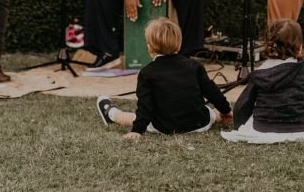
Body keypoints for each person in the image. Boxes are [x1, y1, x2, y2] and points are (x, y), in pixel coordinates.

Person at [96, 18, 232, 139]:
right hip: (199, 124)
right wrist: (226, 110)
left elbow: (145, 106)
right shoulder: (194, 65)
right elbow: (212, 92)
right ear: (179, 45)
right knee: (211, 113)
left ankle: (111, 114)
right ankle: (226, 116)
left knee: (133, 117)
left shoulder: (147, 72)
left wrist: (137, 131)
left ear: (150, 49)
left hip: (165, 127)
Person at [221, 19, 304, 143]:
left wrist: (239, 127)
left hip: (262, 127)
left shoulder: (259, 73)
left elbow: (243, 105)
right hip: (299, 127)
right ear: (299, 47)